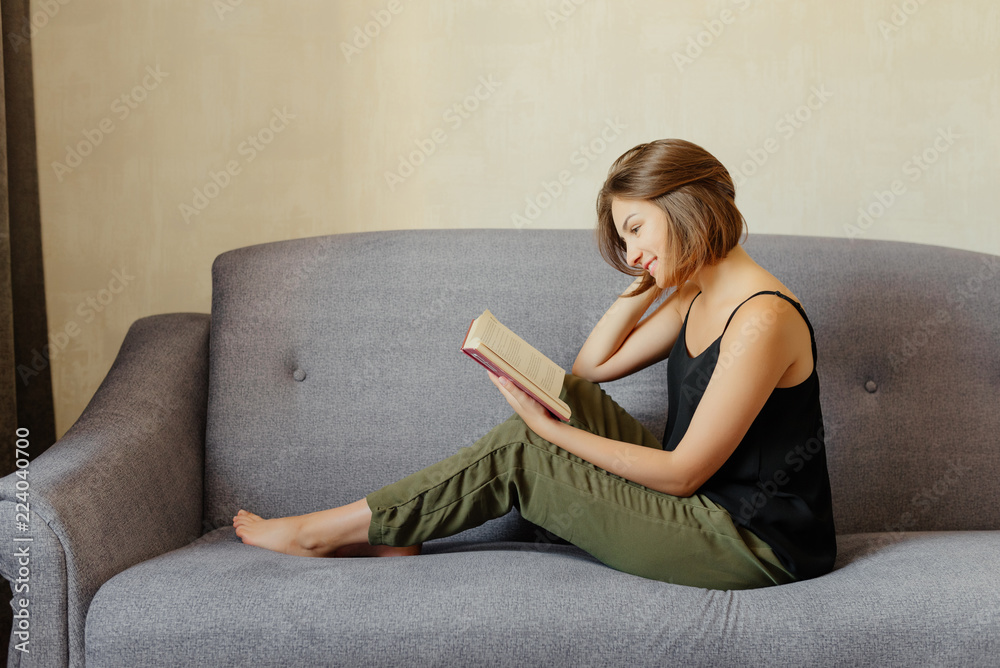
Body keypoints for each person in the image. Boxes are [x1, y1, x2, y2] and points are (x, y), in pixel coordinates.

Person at [233, 138, 837, 590]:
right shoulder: (696, 293)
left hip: (752, 544)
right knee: (571, 395)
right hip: (702, 507)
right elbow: (591, 368)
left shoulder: (763, 318)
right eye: (623, 241)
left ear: (686, 206)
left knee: (522, 448)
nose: (630, 254)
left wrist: (549, 434)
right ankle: (395, 533)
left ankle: (325, 532)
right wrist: (650, 276)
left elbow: (682, 475)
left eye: (635, 229)